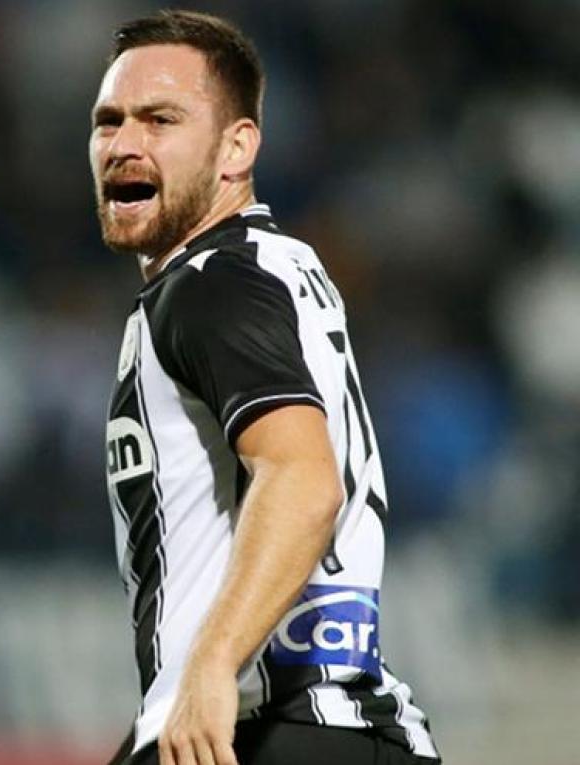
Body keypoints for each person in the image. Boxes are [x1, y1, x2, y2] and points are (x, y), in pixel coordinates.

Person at [88, 11, 439, 765]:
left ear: (237, 147)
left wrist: (213, 664)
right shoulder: (268, 267)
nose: (123, 144)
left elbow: (302, 479)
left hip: (270, 728)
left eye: (160, 120)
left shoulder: (212, 283)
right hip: (328, 726)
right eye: (109, 121)